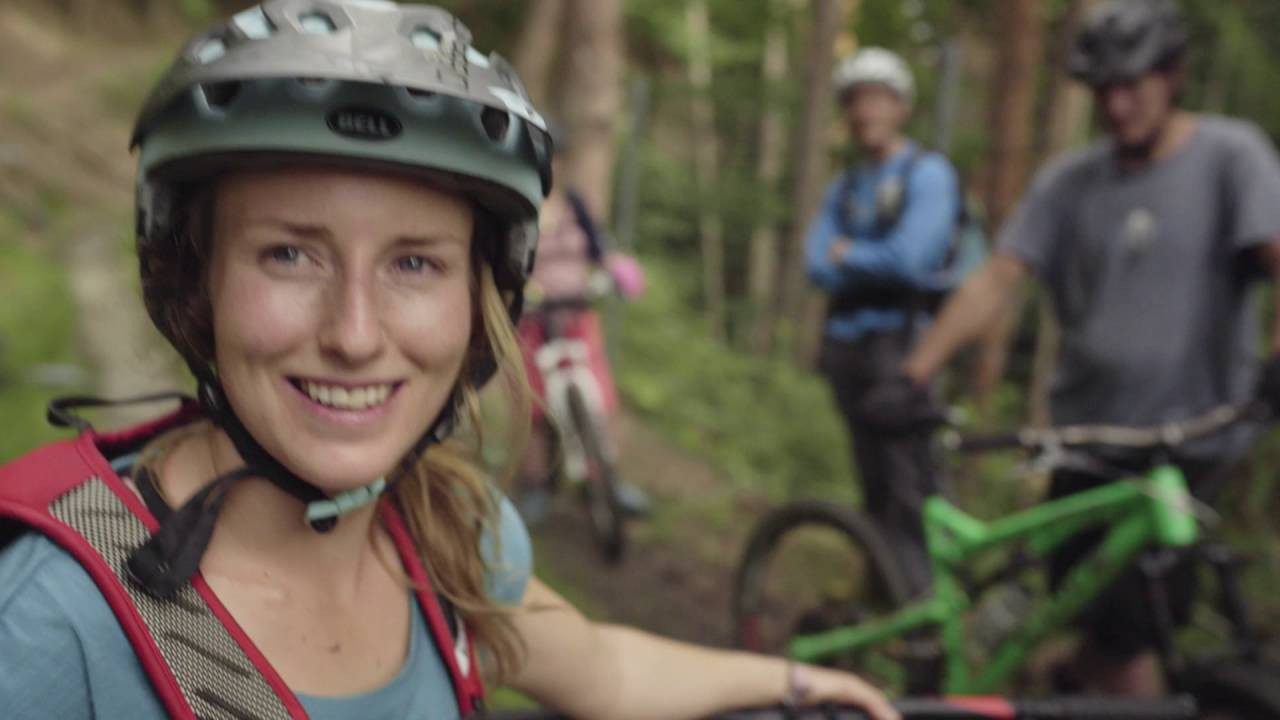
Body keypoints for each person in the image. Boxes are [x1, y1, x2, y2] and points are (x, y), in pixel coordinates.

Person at [0, 4, 898, 719]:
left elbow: (608, 672)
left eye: (414, 263)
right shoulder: (47, 630)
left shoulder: (447, 535)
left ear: (481, 301)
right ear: (196, 283)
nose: (355, 334)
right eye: (289, 254)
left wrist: (795, 685)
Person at [902, 0, 1280, 696]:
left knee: (1138, 625)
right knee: (1082, 612)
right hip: (1085, 441)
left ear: (1173, 75)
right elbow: (998, 276)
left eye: (1133, 83)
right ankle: (1068, 683)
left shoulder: (1233, 157)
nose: (1117, 103)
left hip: (1187, 447)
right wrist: (915, 372)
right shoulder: (1071, 181)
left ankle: (1083, 686)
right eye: (1102, 88)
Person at [805, 46, 960, 595]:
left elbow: (912, 259)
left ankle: (927, 609)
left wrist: (853, 256)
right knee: (872, 484)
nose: (864, 111)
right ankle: (883, 599)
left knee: (912, 484)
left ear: (901, 106)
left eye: (876, 98)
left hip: (904, 347)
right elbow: (816, 263)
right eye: (855, 100)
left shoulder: (929, 174)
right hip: (846, 347)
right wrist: (859, 261)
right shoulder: (843, 187)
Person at [515, 131, 649, 523]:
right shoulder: (519, 206)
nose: (549, 166)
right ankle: (536, 484)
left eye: (555, 158)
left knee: (601, 399)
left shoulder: (574, 205)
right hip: (535, 321)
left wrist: (617, 271)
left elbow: (599, 248)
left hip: (578, 315)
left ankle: (608, 480)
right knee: (537, 409)